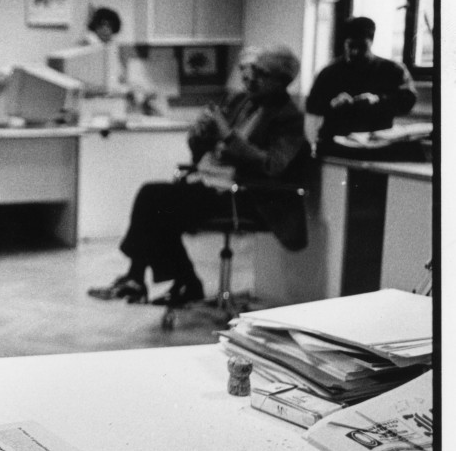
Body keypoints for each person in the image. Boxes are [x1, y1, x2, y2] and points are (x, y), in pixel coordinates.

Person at [88, 45, 309, 306]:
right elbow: (205, 151)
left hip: (249, 195)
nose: (251, 78)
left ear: (280, 81)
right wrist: (200, 135)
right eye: (251, 71)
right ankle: (156, 280)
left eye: (261, 73)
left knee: (156, 201)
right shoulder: (242, 101)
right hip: (215, 183)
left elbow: (272, 165)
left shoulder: (289, 118)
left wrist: (227, 134)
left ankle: (166, 280)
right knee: (156, 203)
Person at [305, 16, 417, 155]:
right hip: (335, 143)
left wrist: (378, 100)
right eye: (351, 46)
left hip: (377, 143)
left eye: (361, 47)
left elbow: (408, 101)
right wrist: (332, 103)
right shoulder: (329, 72)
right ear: (345, 43)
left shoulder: (392, 70)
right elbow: (312, 106)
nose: (355, 52)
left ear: (371, 42)